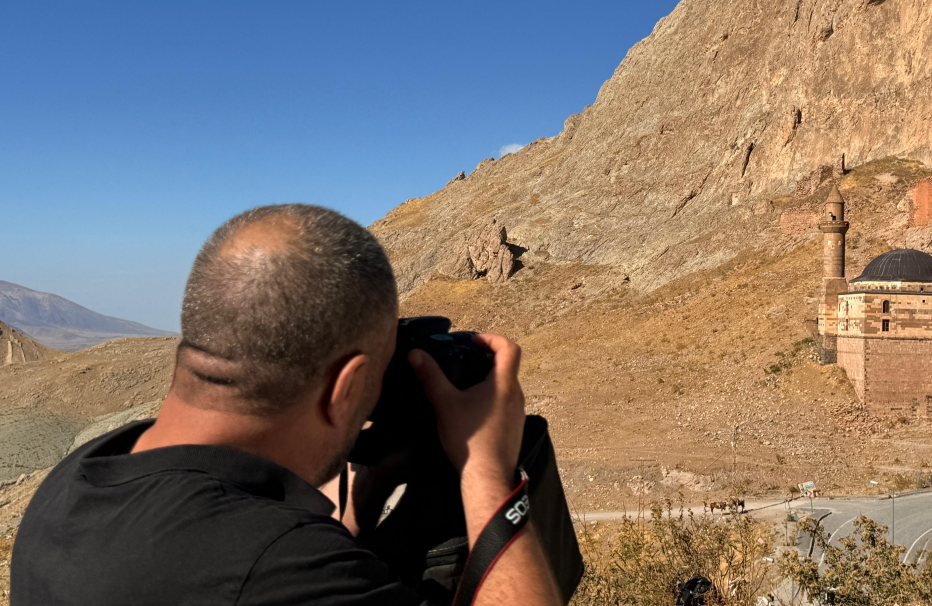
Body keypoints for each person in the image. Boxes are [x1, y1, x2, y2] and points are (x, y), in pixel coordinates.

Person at [12, 204, 561, 606]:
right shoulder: (272, 563)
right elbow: (269, 566)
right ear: (346, 387)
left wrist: (366, 493)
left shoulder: (81, 478)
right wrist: (486, 470)